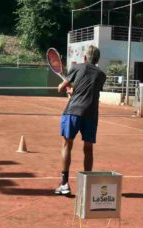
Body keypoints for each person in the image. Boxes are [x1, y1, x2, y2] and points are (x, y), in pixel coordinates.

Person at [55, 45, 106, 196]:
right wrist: (73, 91)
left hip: (73, 111)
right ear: (97, 60)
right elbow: (88, 90)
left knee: (66, 145)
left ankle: (64, 184)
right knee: (88, 149)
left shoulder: (77, 68)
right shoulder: (102, 75)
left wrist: (68, 90)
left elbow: (60, 88)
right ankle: (87, 185)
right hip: (91, 115)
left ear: (85, 58)